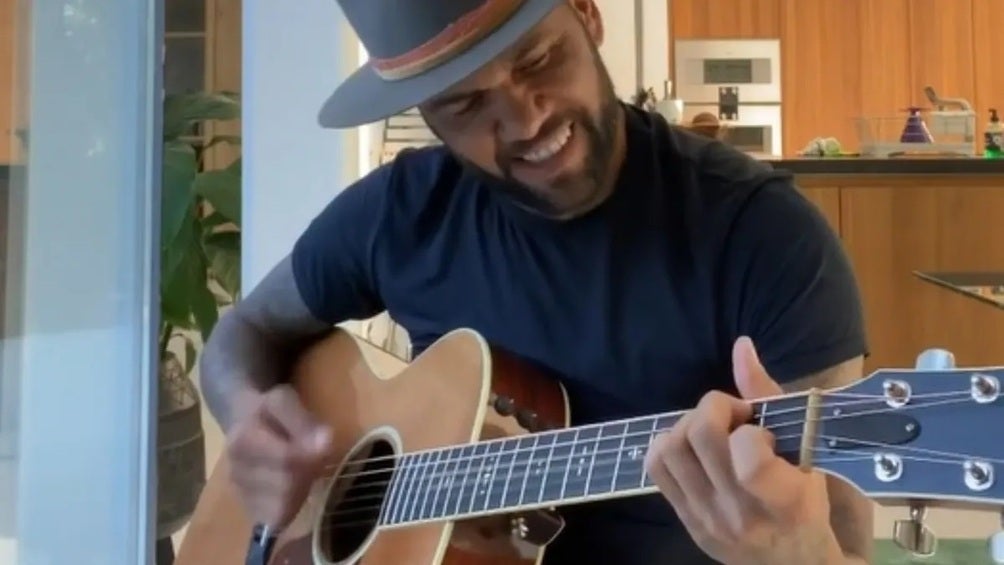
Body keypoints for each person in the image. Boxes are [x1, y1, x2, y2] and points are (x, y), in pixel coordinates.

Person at [200, 0, 874, 563]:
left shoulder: (766, 236)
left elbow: (847, 545)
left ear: (587, 14)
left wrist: (800, 551)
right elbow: (244, 332)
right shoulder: (398, 214)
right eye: (466, 104)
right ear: (428, 117)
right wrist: (246, 416)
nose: (526, 121)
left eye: (538, 60)